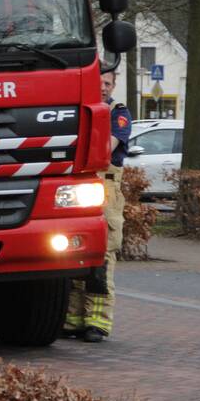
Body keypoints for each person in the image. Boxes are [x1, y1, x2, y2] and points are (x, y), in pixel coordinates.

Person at [63, 69, 131, 343]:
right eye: (98, 81)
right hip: (76, 188)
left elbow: (104, 147)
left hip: (106, 190)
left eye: (108, 83)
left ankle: (97, 323)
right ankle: (72, 320)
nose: (102, 87)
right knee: (72, 253)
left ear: (114, 86)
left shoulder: (118, 113)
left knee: (102, 258)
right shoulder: (80, 108)